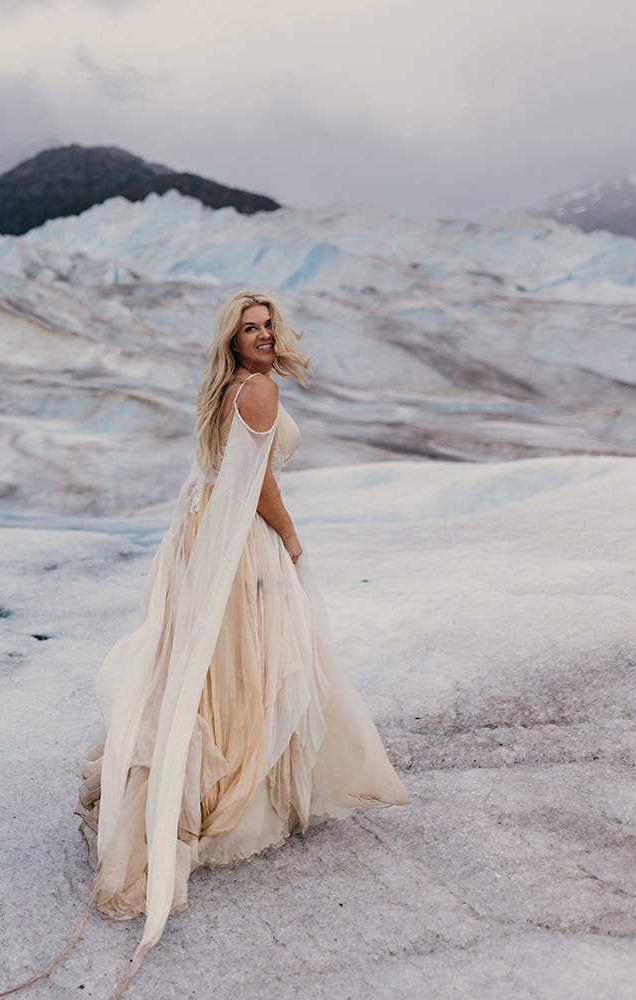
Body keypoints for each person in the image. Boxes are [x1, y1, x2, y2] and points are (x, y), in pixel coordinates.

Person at [71, 289, 408, 994]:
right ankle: (228, 799)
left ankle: (211, 783)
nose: (260, 335)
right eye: (248, 328)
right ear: (233, 340)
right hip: (242, 544)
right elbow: (256, 486)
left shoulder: (232, 388)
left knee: (225, 668)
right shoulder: (256, 391)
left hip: (210, 536)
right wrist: (288, 537)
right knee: (252, 668)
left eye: (267, 325)